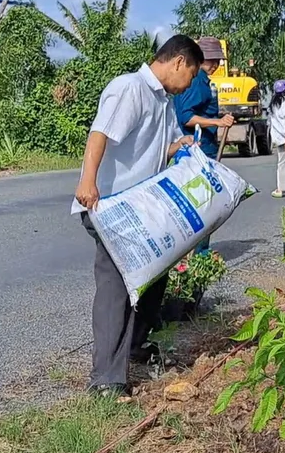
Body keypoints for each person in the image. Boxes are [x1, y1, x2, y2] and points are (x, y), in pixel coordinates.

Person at [72, 34, 205, 397]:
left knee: (153, 279)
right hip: (110, 207)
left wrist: (183, 146)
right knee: (116, 288)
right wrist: (87, 182)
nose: (190, 84)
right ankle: (106, 380)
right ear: (178, 62)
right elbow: (99, 134)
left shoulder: (164, 100)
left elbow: (163, 146)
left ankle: (133, 347)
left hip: (141, 211)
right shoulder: (129, 88)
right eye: (191, 75)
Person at [173, 36, 234, 255]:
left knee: (203, 202)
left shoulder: (203, 79)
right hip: (196, 150)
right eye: (211, 60)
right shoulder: (196, 79)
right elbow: (187, 117)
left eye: (217, 60)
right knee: (202, 204)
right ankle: (198, 255)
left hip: (203, 147)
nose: (215, 64)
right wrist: (217, 122)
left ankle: (196, 253)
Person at [266, 79, 285, 198]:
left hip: (279, 137)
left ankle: (284, 186)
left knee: (283, 162)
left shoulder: (274, 103)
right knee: (284, 163)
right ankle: (282, 188)